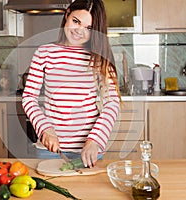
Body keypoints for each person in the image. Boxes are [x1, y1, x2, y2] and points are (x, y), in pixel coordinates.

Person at [22, 0, 121, 168]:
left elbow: (112, 103)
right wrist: (45, 129)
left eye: (88, 28)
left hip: (88, 150)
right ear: (67, 15)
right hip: (50, 150)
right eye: (76, 21)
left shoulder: (99, 57)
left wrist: (95, 140)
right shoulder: (44, 53)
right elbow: (29, 98)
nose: (79, 31)